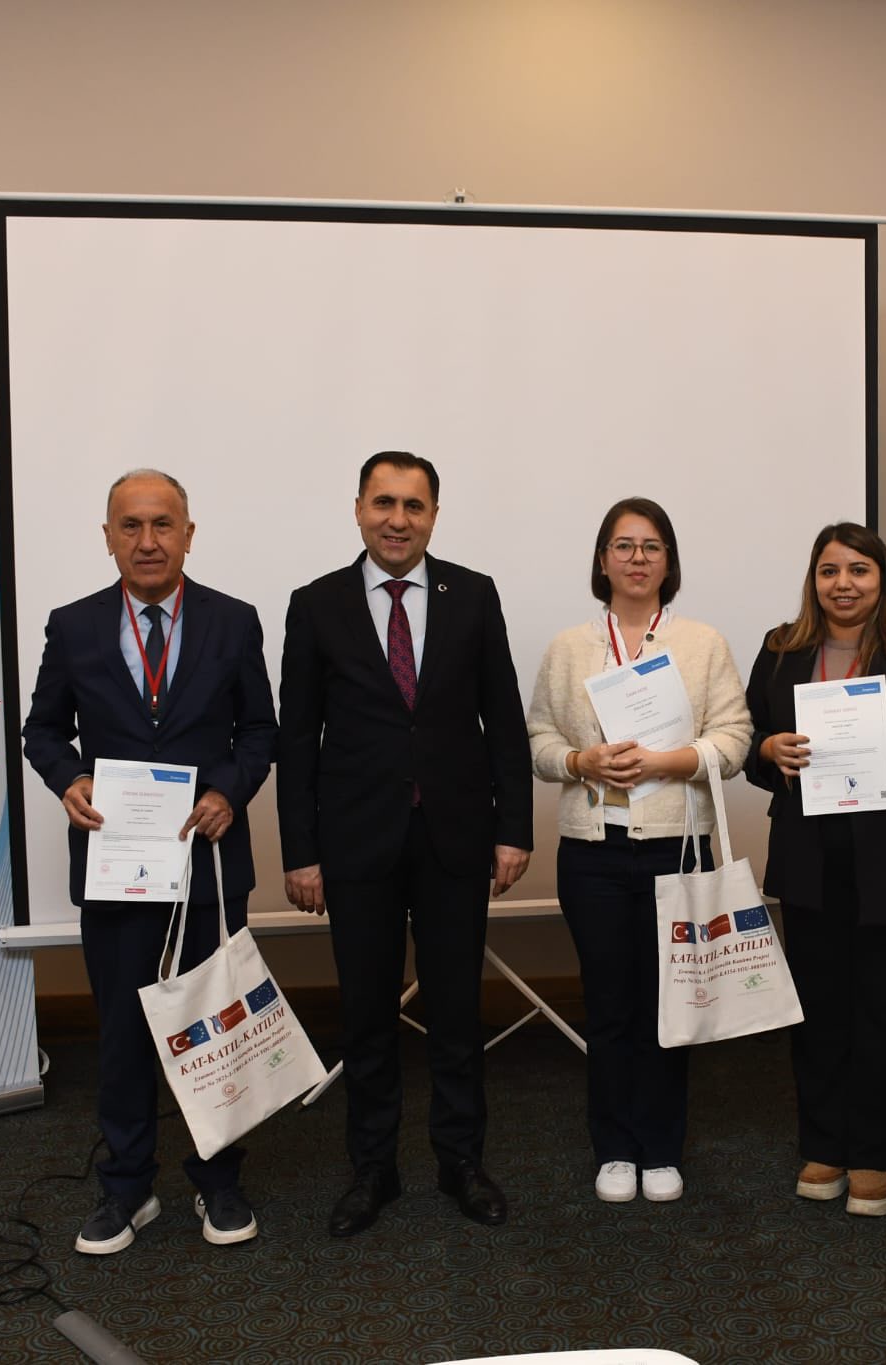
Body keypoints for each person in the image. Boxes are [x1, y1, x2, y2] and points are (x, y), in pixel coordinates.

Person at [276, 451, 533, 1237]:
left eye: (413, 505)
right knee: (366, 1016)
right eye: (383, 502)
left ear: (433, 515)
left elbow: (504, 720)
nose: (398, 519)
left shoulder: (473, 594)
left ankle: (461, 1161)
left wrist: (514, 828)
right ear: (358, 508)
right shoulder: (316, 604)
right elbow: (297, 739)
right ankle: (372, 1169)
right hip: (357, 843)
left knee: (457, 1013)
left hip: (456, 837)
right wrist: (300, 850)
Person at [21, 469, 278, 1254]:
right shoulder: (74, 625)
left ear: (188, 534)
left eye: (162, 524)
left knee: (214, 1028)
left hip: (207, 865)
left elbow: (260, 731)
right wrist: (69, 778)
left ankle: (218, 1178)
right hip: (117, 866)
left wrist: (229, 790)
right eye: (129, 525)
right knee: (124, 1035)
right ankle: (128, 1188)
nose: (147, 540)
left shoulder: (233, 621)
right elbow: (43, 730)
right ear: (108, 537)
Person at [744, 522, 886, 1217]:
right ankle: (824, 1144)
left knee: (882, 1010)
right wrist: (769, 749)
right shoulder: (781, 649)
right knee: (817, 1011)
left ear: (882, 579)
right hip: (810, 857)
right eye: (829, 571)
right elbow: (751, 740)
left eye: (858, 570)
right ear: (813, 580)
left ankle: (874, 1152)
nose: (842, 584)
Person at [526, 498, 753, 1204]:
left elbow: (735, 739)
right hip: (592, 853)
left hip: (674, 851)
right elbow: (538, 740)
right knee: (609, 1004)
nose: (636, 558)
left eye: (651, 546)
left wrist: (668, 760)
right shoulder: (569, 647)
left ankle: (660, 1146)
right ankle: (615, 1147)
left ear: (668, 561)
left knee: (669, 1003)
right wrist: (581, 761)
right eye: (622, 546)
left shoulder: (703, 643)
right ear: (602, 560)